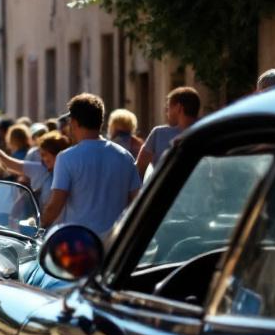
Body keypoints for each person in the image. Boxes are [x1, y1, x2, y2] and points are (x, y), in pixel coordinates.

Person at [45, 93, 140, 235]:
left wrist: (38, 225)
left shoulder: (66, 158)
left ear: (75, 122)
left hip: (81, 245)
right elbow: (136, 200)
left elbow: (55, 206)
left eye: (70, 121)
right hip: (116, 244)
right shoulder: (125, 157)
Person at [137, 87, 200, 178]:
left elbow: (139, 168)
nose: (167, 113)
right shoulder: (207, 132)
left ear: (179, 108)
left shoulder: (159, 133)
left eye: (168, 108)